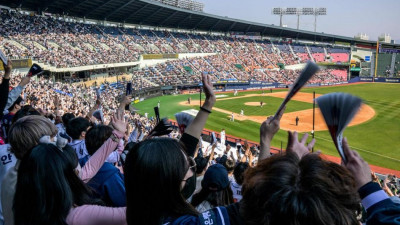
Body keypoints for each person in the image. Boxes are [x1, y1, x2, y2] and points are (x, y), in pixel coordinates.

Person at [124, 74, 231, 225]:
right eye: (187, 165)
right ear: (170, 182)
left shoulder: (141, 205)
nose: (191, 166)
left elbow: (187, 144)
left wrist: (209, 103)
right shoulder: (186, 220)